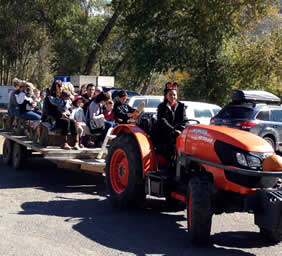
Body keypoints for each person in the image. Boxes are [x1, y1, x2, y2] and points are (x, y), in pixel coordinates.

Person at [156, 82, 189, 166]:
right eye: (170, 95)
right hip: (165, 133)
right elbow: (162, 121)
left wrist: (183, 130)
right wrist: (173, 130)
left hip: (178, 132)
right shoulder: (161, 107)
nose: (173, 97)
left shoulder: (181, 106)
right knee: (172, 146)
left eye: (174, 95)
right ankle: (170, 166)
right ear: (166, 96)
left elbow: (184, 120)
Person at [42, 80, 79, 150]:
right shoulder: (49, 98)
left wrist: (69, 114)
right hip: (51, 118)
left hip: (62, 117)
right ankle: (64, 143)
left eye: (61, 86)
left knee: (72, 121)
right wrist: (61, 114)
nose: (61, 88)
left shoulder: (64, 96)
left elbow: (69, 107)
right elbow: (50, 111)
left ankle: (76, 143)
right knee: (65, 122)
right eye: (59, 87)